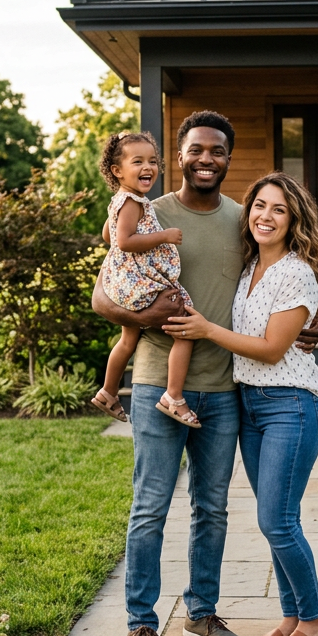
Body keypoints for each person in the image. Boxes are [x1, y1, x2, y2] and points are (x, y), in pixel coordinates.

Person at [90, 111, 318, 636]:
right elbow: (102, 298)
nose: (206, 159)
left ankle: (201, 612)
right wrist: (143, 315)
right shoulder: (146, 212)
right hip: (154, 384)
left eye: (217, 151)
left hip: (224, 389)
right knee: (150, 507)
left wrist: (310, 323)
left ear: (227, 158)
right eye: (196, 149)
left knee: (211, 508)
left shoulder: (245, 221)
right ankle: (142, 625)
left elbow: (280, 277)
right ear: (180, 154)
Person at [163, 171, 318, 636]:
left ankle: (316, 620)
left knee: (276, 520)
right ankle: (293, 615)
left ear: (294, 219)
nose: (266, 216)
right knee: (276, 519)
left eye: (279, 209)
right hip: (251, 404)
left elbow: (273, 349)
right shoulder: (249, 268)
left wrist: (205, 329)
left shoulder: (296, 272)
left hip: (291, 405)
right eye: (259, 205)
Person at [90, 130, 198, 428]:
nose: (147, 167)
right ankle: (173, 397)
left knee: (128, 340)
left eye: (152, 160)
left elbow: (108, 235)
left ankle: (108, 392)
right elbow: (123, 241)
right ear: (117, 170)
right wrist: (164, 235)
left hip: (124, 283)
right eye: (137, 161)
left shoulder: (122, 200)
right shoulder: (133, 202)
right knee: (186, 329)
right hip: (141, 284)